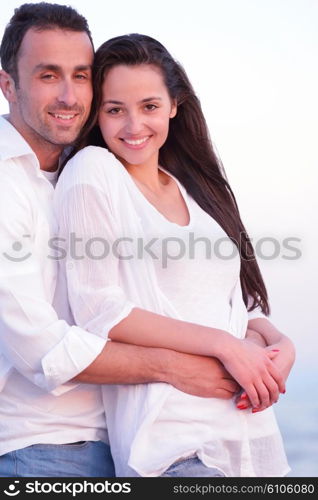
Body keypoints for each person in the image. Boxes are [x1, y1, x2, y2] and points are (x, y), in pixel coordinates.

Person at [0, 4, 244, 478]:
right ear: (8, 84)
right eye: (48, 75)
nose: (69, 95)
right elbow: (40, 349)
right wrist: (175, 367)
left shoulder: (93, 170)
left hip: (127, 443)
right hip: (42, 448)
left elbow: (176, 291)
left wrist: (257, 336)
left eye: (81, 75)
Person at [55, 33, 295, 477]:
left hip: (248, 435)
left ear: (174, 105)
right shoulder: (93, 171)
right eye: (114, 110)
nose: (133, 126)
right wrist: (226, 347)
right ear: (97, 114)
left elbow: (234, 305)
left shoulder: (193, 188)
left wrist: (279, 343)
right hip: (173, 445)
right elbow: (99, 310)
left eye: (148, 106)